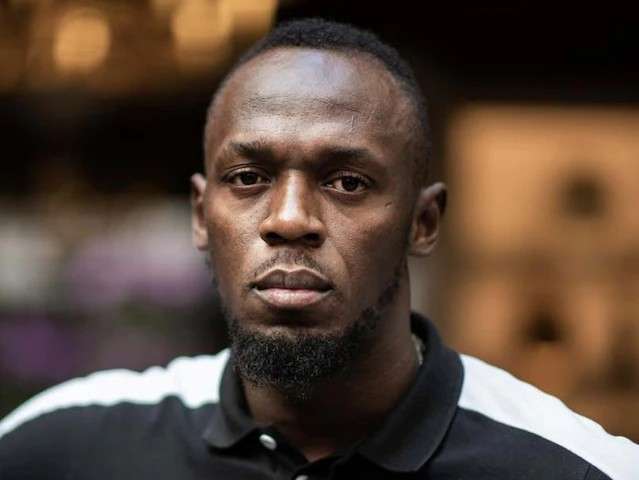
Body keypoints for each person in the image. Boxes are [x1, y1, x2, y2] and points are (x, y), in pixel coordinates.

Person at [0, 18, 637, 480]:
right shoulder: (62, 447)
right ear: (201, 215)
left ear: (423, 222)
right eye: (247, 178)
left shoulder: (572, 468)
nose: (289, 219)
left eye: (347, 183)